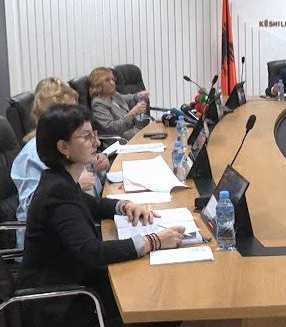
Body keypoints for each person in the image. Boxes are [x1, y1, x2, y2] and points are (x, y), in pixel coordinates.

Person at [19, 104, 185, 327]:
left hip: (79, 283)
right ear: (63, 147)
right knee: (163, 308)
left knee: (160, 293)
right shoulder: (57, 190)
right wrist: (153, 240)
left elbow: (94, 205)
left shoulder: (60, 180)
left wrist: (125, 205)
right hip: (64, 303)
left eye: (94, 134)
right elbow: (91, 252)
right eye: (86, 136)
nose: (97, 142)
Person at [12, 77, 110, 249]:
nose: (78, 116)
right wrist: (76, 185)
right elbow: (34, 208)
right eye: (70, 111)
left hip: (80, 223)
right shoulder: (31, 155)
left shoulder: (72, 144)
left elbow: (89, 187)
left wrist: (98, 166)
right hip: (50, 245)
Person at [90, 66, 149, 140]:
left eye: (113, 79)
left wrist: (139, 95)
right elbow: (112, 128)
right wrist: (132, 113)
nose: (112, 83)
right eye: (107, 80)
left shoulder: (114, 95)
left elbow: (129, 98)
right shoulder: (98, 103)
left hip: (131, 132)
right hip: (119, 139)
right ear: (98, 84)